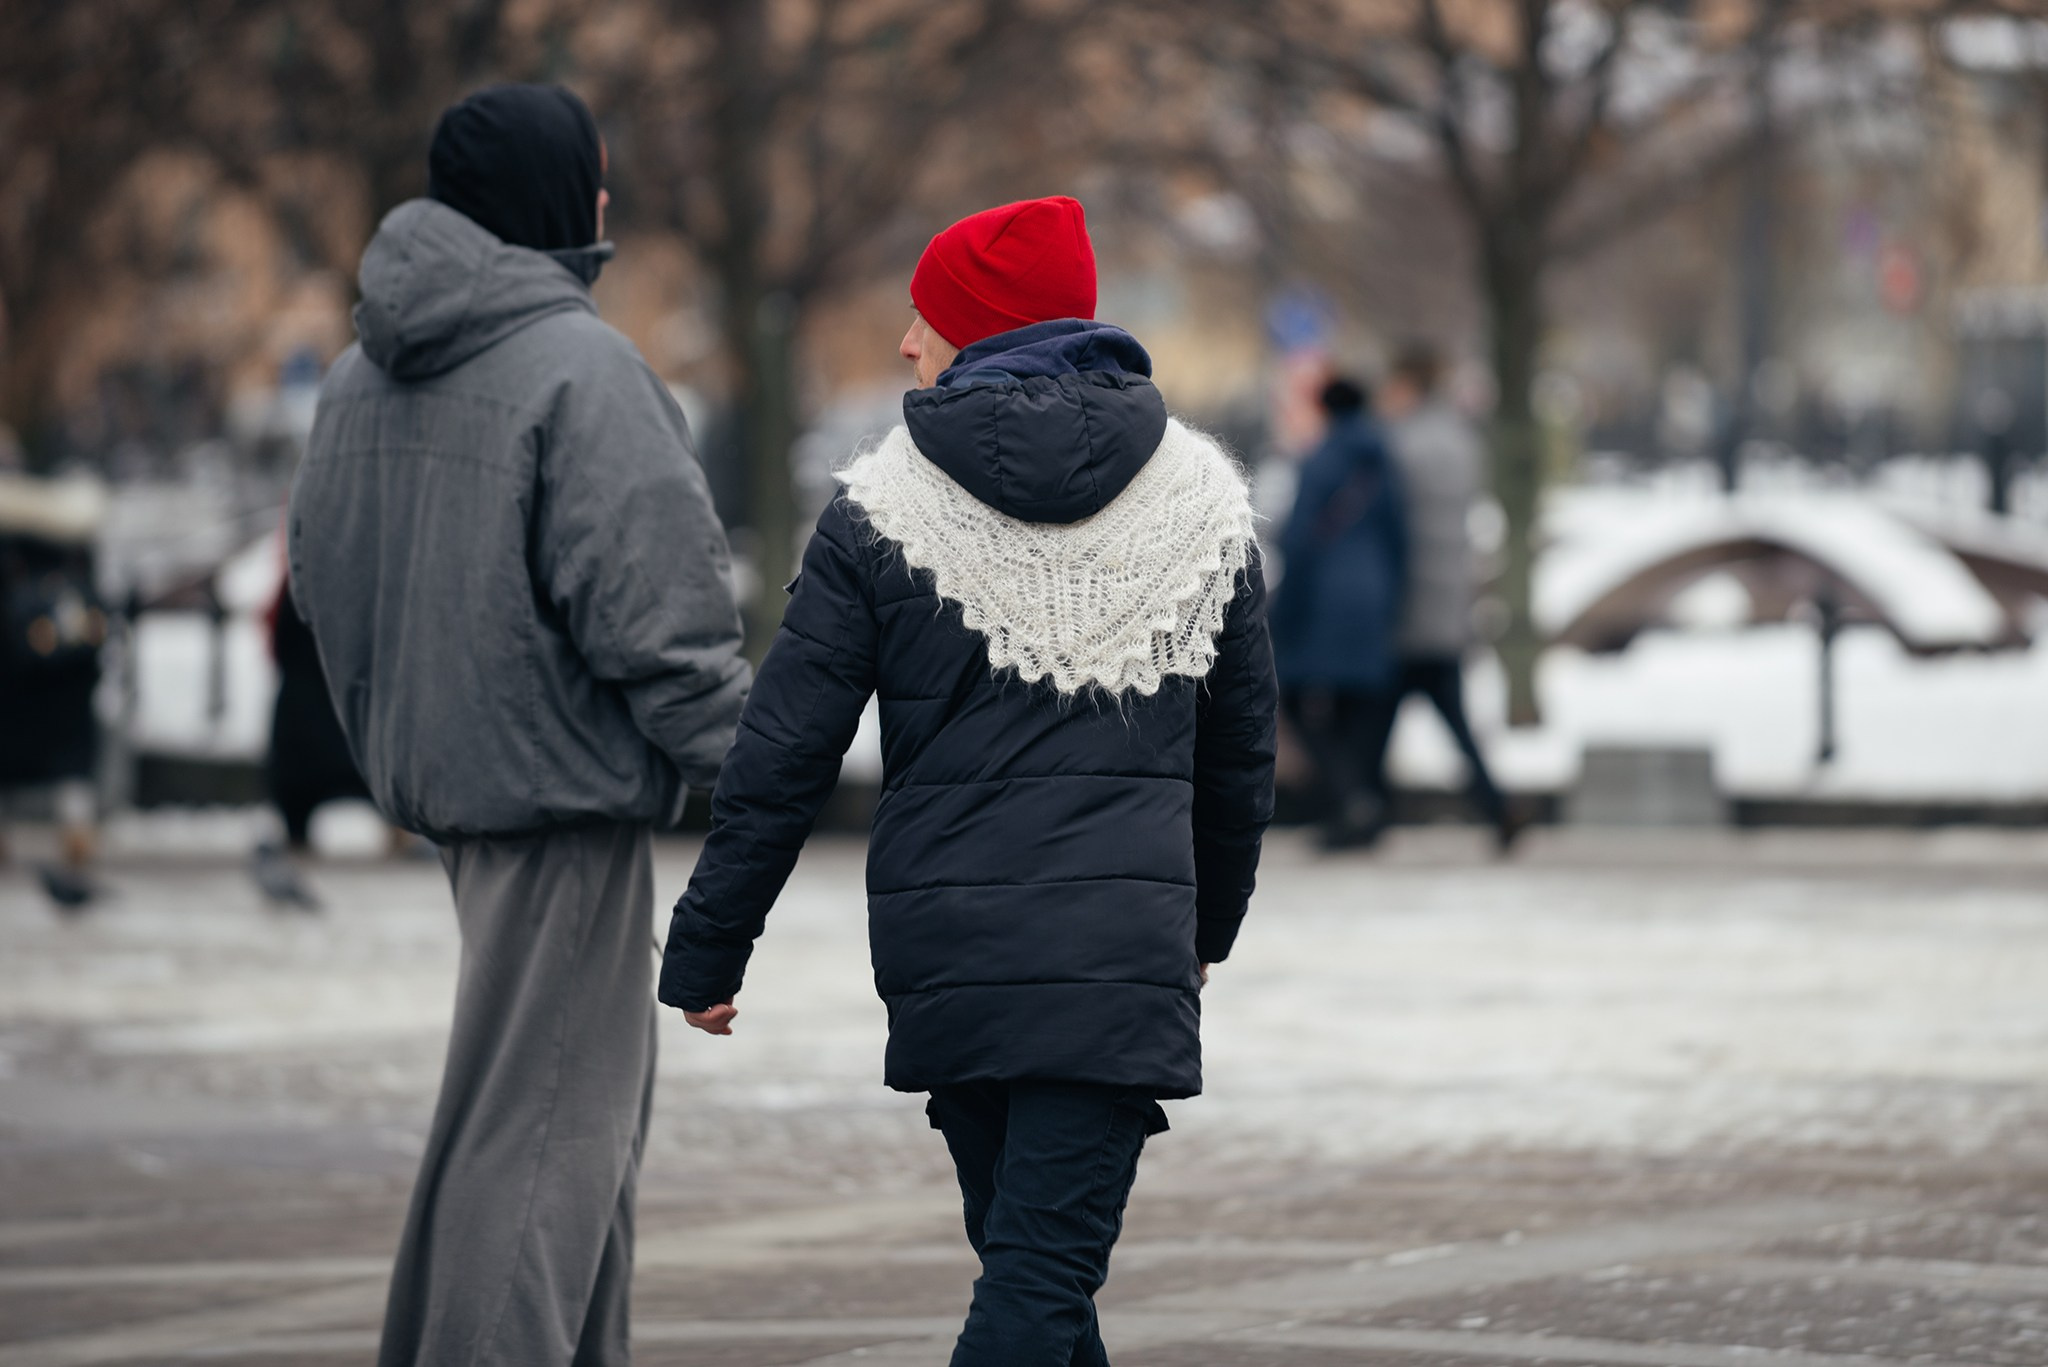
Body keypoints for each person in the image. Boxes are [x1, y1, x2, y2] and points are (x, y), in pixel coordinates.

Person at [659, 196, 1277, 1367]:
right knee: (1039, 1286)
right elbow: (1238, 748)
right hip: (1115, 958)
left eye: (927, 314)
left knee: (1033, 1278)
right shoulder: (1202, 501)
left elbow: (782, 749)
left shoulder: (879, 508)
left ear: (982, 327)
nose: (906, 341)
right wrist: (1205, 926)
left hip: (952, 955)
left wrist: (709, 941)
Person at [288, 84, 751, 1367]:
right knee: (546, 1139)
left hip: (463, 791)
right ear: (561, 199)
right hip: (561, 801)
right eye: (595, 180)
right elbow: (662, 626)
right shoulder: (579, 369)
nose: (607, 202)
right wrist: (767, 774)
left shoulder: (356, 373)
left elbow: (321, 585)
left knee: (538, 1127)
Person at [1371, 344, 1521, 851]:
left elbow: (1389, 528)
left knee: (1382, 717)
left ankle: (1365, 811)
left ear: (1409, 387)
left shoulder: (1400, 445)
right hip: (1447, 605)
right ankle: (1495, 805)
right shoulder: (1459, 440)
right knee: (1446, 718)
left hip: (1410, 606)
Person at [1270, 376, 1408, 849]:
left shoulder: (1321, 459)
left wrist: (1283, 614)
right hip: (1373, 598)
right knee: (1354, 708)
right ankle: (1355, 813)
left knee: (1295, 699)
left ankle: (1350, 800)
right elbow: (1399, 537)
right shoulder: (1382, 461)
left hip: (1324, 601)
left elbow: (1301, 539)